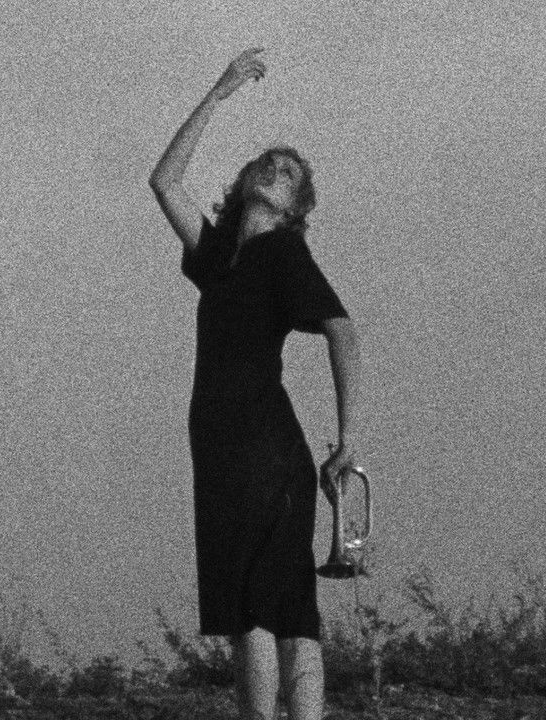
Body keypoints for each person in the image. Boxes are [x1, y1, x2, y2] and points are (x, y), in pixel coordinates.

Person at [148, 48, 364, 720]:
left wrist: (348, 439)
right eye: (268, 163)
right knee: (275, 607)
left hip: (260, 447)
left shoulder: (284, 251)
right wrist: (219, 91)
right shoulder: (219, 255)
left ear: (297, 206)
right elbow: (164, 180)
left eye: (290, 173)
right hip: (223, 447)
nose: (276, 168)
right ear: (245, 181)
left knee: (260, 609)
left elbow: (343, 330)